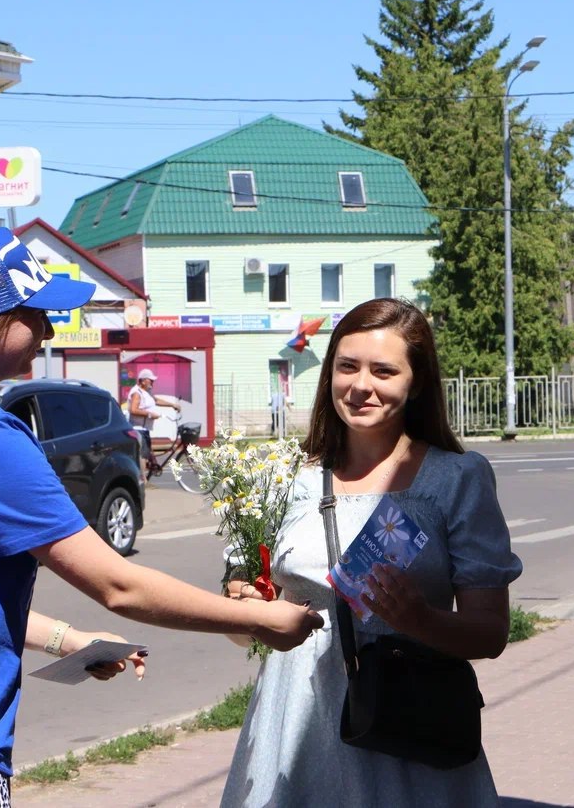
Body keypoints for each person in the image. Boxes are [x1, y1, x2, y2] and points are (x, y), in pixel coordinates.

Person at [0, 227, 322, 808]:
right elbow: (120, 585)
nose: (50, 330)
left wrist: (70, 641)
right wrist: (261, 621)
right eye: (35, 313)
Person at [219, 297, 522, 807]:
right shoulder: (284, 478)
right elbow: (240, 624)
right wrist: (244, 609)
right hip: (293, 728)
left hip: (405, 736)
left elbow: (490, 634)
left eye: (384, 370)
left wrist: (417, 618)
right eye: (347, 366)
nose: (361, 386)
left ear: (416, 382)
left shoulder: (455, 480)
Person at [127, 368, 180, 478]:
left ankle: (147, 473)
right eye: (150, 380)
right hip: (138, 429)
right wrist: (150, 414)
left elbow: (156, 401)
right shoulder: (137, 393)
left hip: (145, 428)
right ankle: (142, 481)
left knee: (147, 453)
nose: (152, 382)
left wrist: (173, 405)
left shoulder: (147, 392)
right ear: (142, 381)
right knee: (142, 456)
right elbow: (133, 410)